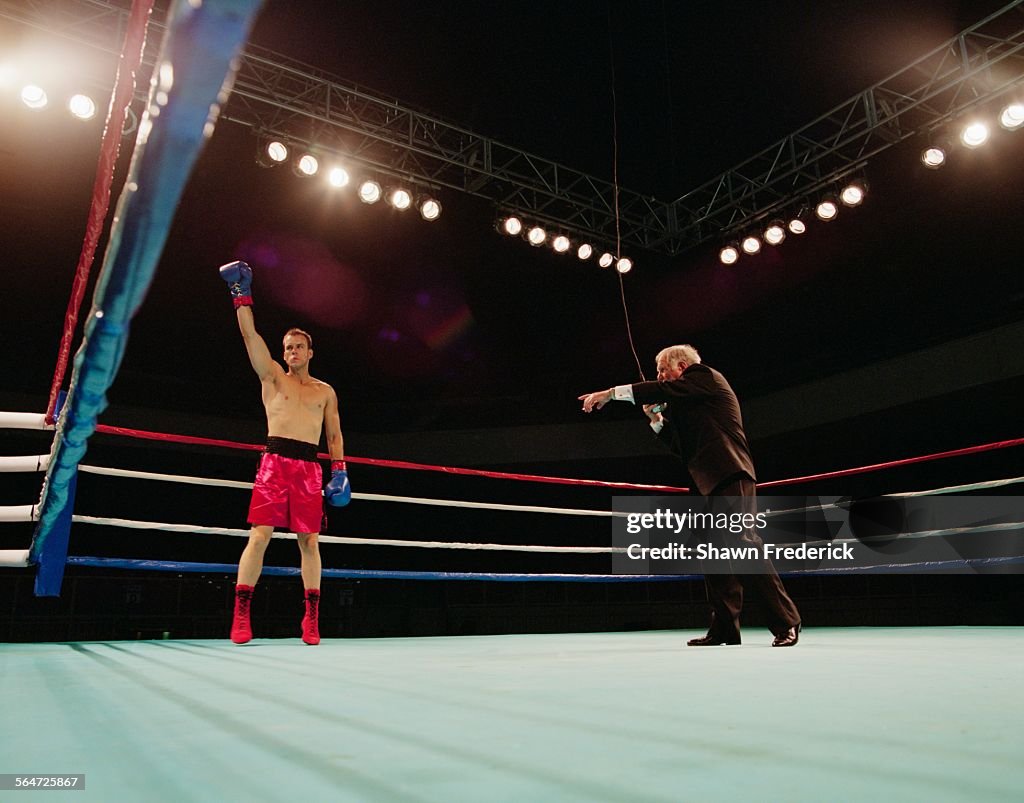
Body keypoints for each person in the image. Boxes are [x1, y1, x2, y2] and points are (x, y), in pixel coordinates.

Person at [578, 344, 800, 647]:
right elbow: (683, 449)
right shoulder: (688, 402)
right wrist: (657, 422)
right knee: (713, 555)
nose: (659, 377)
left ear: (681, 366)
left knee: (743, 546)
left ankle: (786, 622)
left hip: (728, 474)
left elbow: (658, 389)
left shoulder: (705, 377)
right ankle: (724, 629)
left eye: (662, 370)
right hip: (705, 481)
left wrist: (610, 393)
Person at [219, 260, 351, 645]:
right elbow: (249, 338)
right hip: (274, 463)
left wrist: (339, 470)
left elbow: (335, 434)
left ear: (310, 351)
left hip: (310, 467)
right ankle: (241, 614)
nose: (291, 351)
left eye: (298, 346)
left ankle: (311, 618)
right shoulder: (273, 376)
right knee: (259, 536)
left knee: (309, 541)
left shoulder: (325, 391)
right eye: (287, 347)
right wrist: (241, 297)